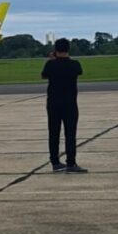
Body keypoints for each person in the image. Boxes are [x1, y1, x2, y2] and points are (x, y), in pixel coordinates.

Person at [41, 38, 87, 173]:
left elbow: (44, 75)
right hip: (70, 103)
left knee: (54, 133)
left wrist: (51, 60)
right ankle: (71, 163)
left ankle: (55, 162)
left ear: (56, 50)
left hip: (53, 103)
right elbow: (79, 72)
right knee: (70, 134)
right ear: (68, 49)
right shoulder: (74, 64)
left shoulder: (50, 65)